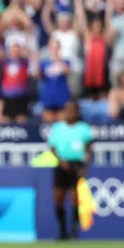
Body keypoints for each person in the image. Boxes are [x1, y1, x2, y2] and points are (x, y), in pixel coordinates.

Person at [48, 101, 94, 240]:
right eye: (68, 110)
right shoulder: (57, 128)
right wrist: (61, 161)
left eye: (73, 110)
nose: (70, 113)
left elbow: (89, 148)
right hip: (61, 164)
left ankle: (74, 231)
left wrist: (84, 166)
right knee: (59, 196)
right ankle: (62, 231)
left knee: (75, 197)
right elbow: (52, 148)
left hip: (77, 164)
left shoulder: (83, 128)